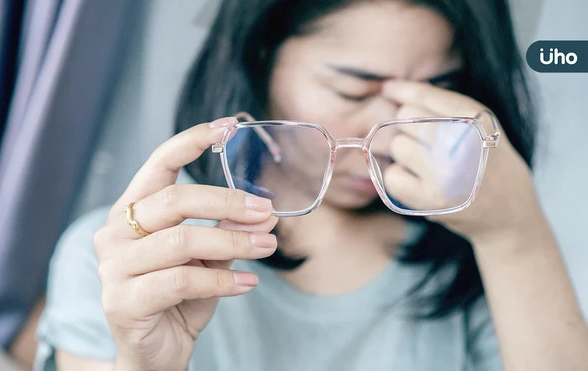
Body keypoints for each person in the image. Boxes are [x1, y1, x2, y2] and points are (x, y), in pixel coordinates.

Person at [35, 0, 588, 370]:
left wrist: (517, 238)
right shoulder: (124, 263)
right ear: (260, 58)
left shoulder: (474, 264)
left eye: (439, 89)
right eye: (353, 89)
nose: (396, 134)